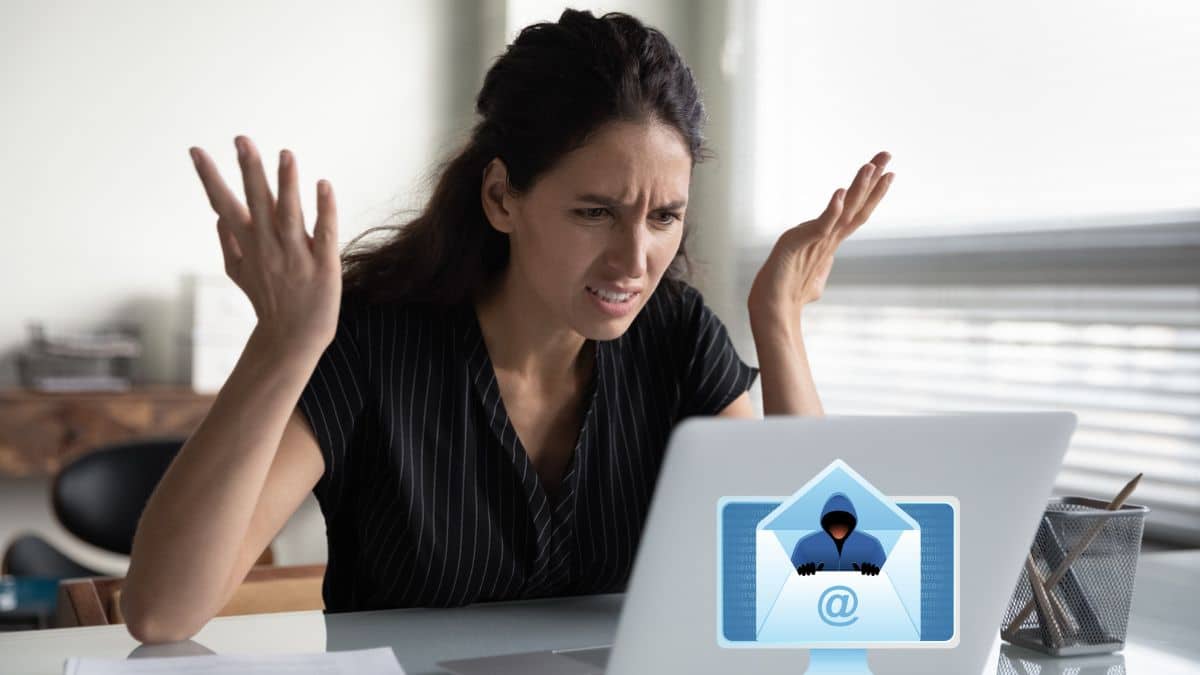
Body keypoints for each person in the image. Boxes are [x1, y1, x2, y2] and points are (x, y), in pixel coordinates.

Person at [121, 9, 894, 643]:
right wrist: (285, 342)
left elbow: (832, 591)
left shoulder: (676, 334)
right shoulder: (371, 339)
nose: (636, 258)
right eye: (596, 212)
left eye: (664, 217)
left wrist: (779, 321)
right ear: (501, 198)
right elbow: (162, 612)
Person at [791, 493, 888, 576]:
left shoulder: (872, 545)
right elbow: (789, 578)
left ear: (852, 521)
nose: (838, 524)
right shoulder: (805, 545)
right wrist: (800, 575)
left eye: (844, 520)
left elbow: (887, 577)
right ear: (825, 521)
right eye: (833, 520)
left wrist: (876, 576)